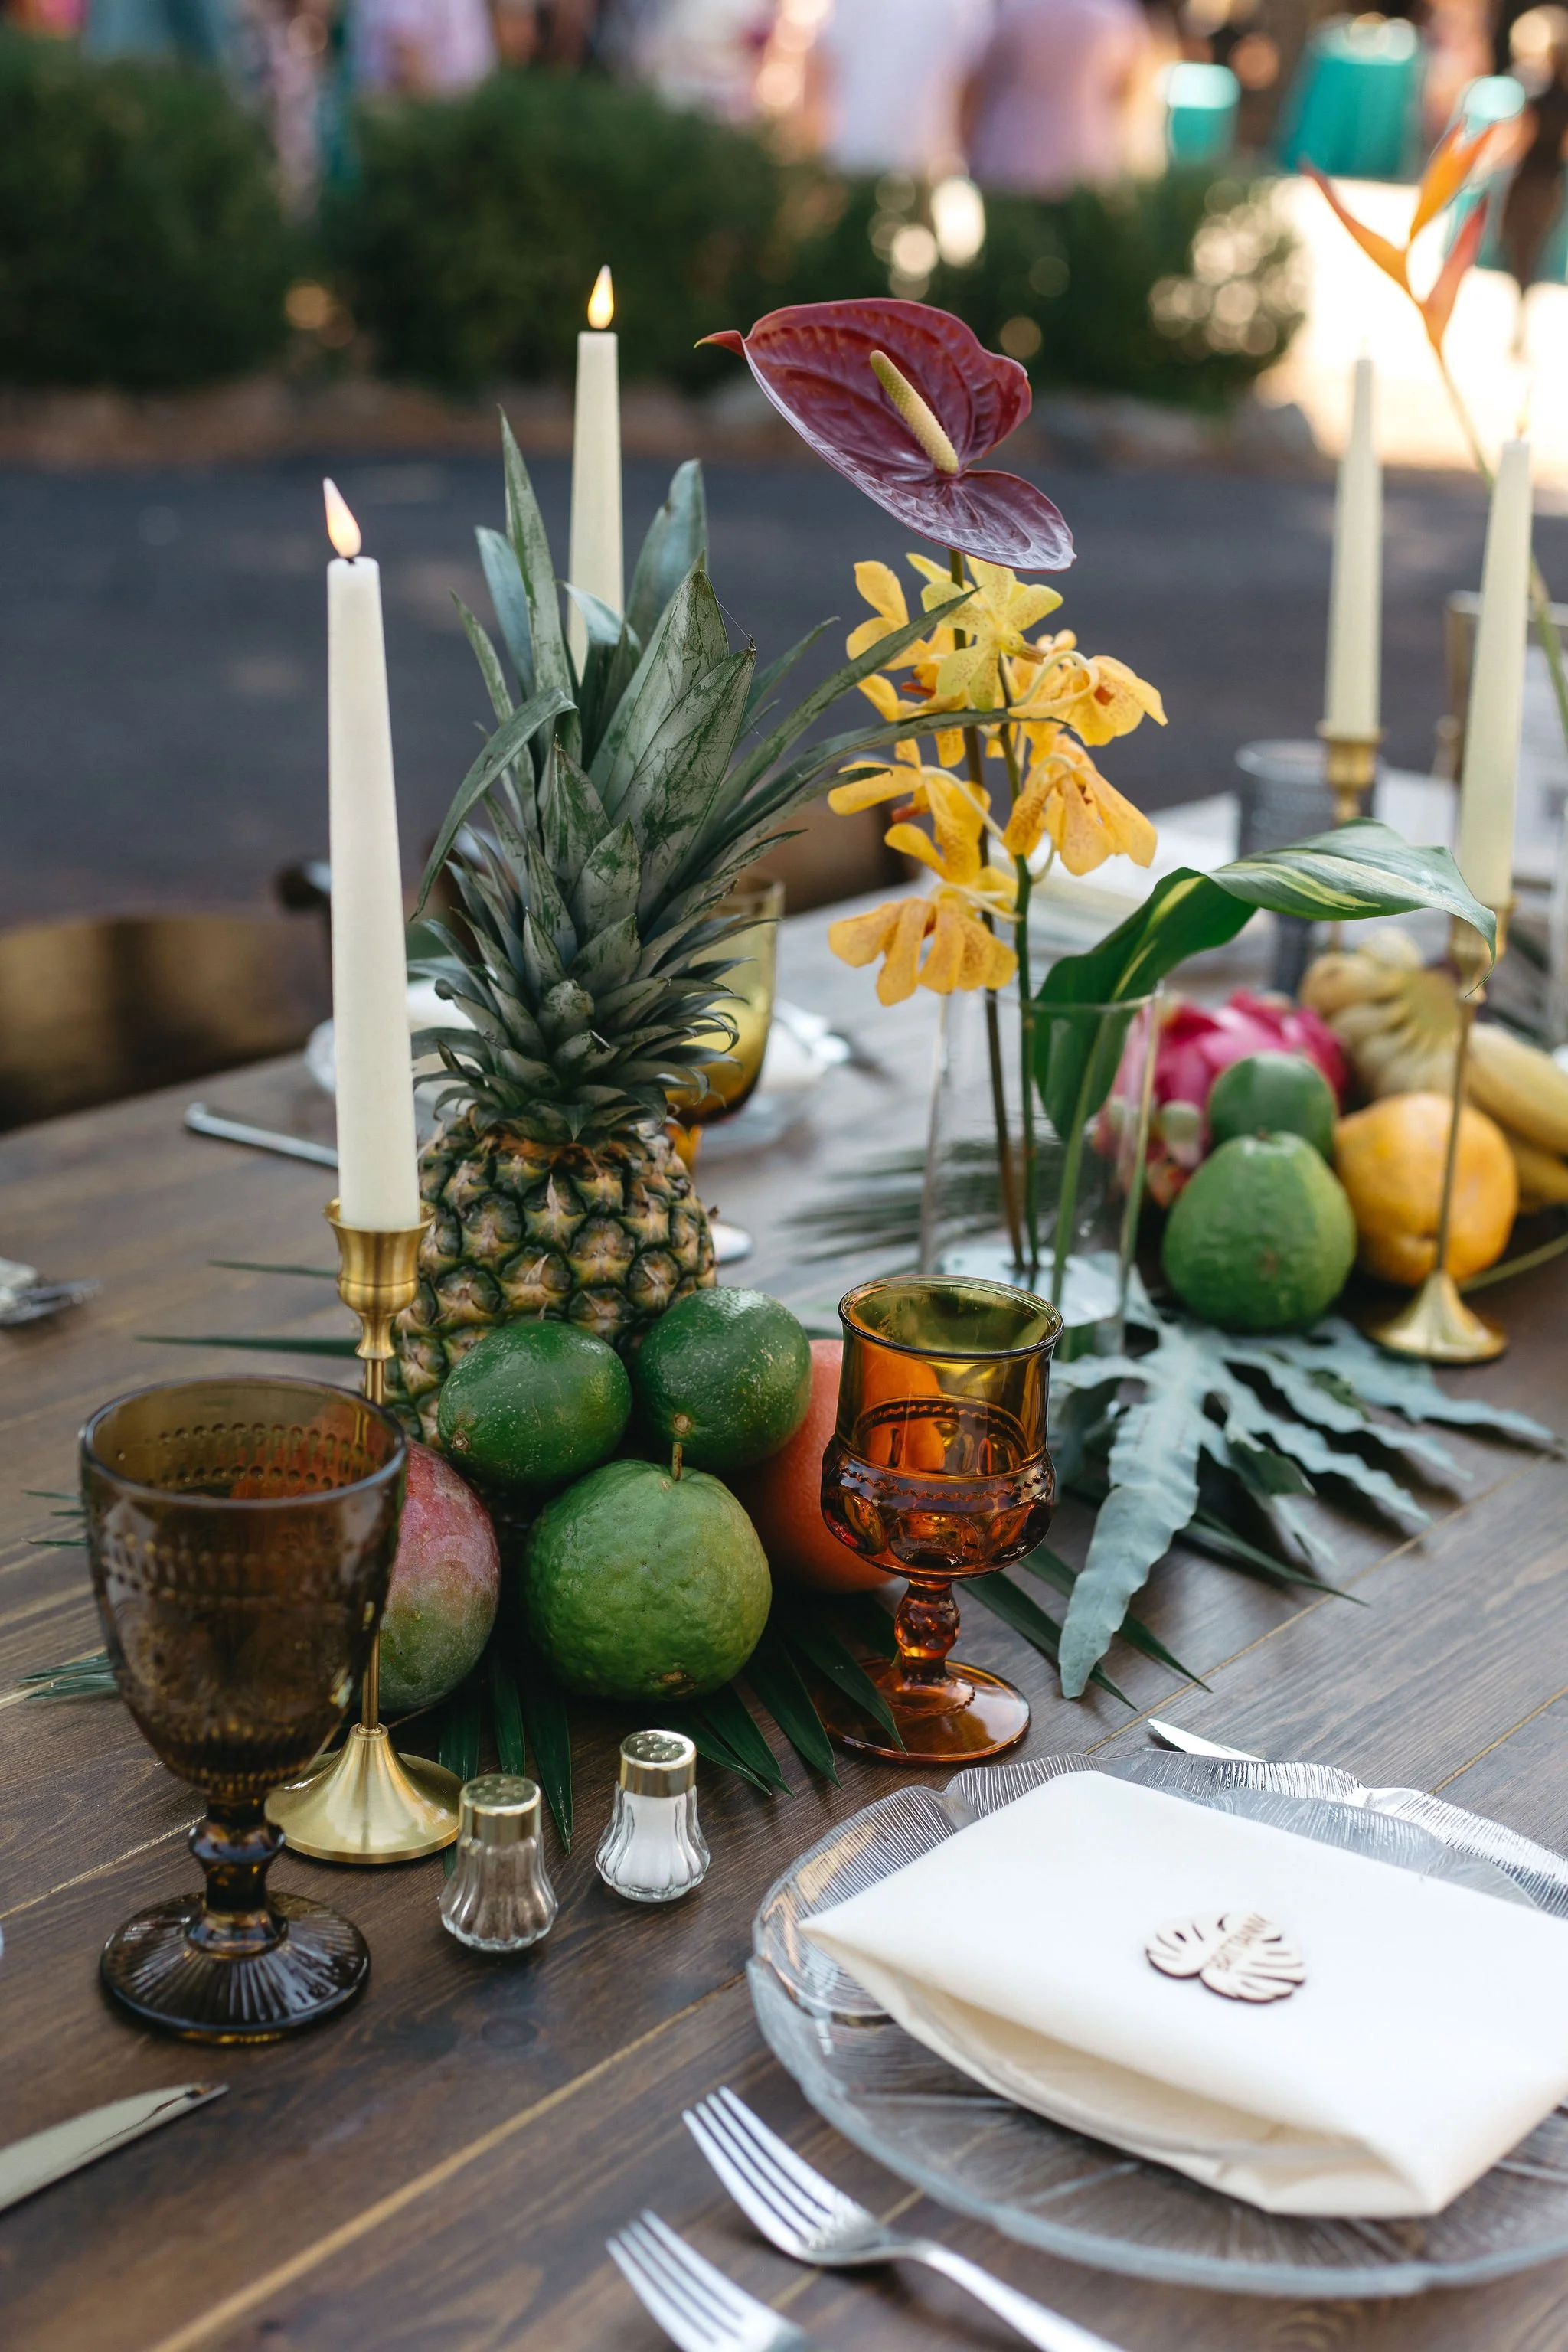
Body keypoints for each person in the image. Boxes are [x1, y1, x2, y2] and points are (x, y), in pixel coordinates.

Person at [963, 0, 1151, 196]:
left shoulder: (1015, 11)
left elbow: (977, 85)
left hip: (1008, 161)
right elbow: (1129, 94)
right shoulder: (1117, 17)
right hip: (1086, 164)